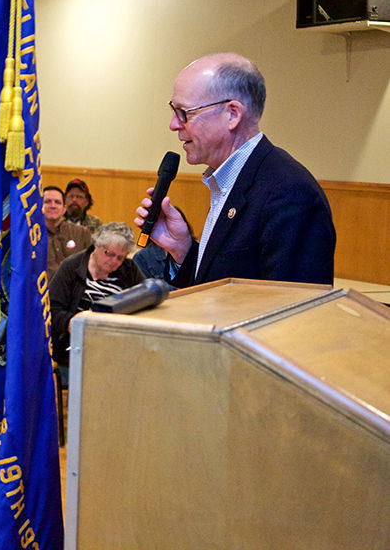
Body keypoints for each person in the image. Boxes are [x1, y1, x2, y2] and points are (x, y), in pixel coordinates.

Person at [135, 53, 335, 286]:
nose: (173, 124)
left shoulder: (289, 193)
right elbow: (219, 284)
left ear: (232, 114)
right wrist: (182, 250)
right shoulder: (229, 179)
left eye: (184, 113)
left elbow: (292, 310)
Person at [48, 222, 145, 387]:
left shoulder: (129, 269)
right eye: (109, 253)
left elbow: (144, 299)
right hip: (76, 341)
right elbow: (53, 310)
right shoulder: (72, 267)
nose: (114, 261)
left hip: (117, 340)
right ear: (96, 246)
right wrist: (74, 323)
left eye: (120, 257)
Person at [43, 185, 92, 275]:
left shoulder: (82, 233)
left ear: (64, 209)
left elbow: (91, 265)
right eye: (47, 202)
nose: (53, 206)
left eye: (57, 202)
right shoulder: (31, 236)